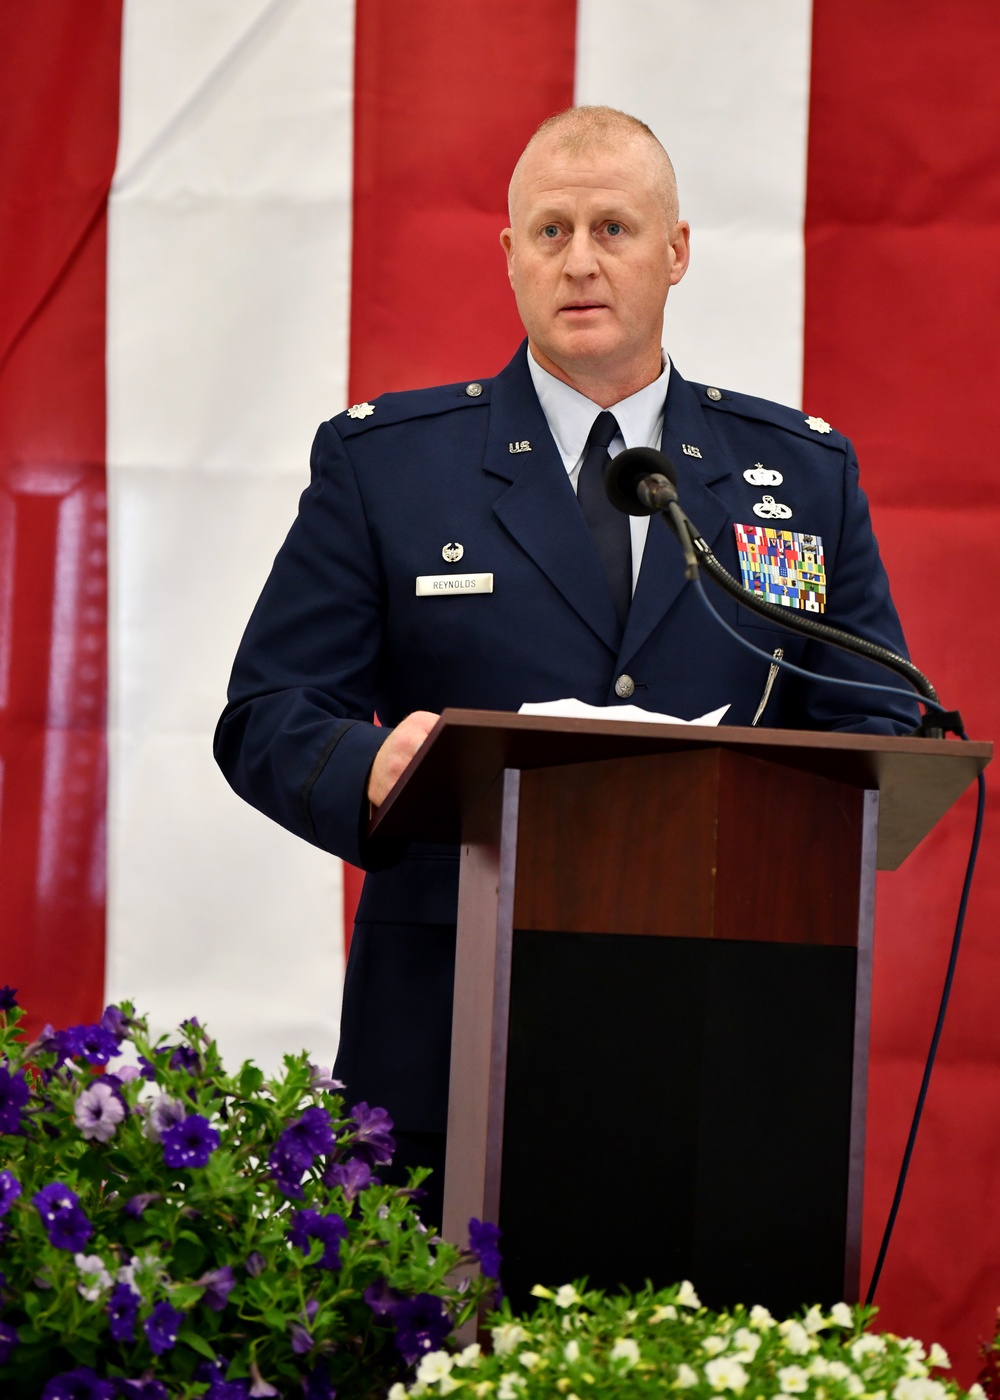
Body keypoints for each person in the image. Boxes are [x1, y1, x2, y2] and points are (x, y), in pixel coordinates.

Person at [214, 106, 918, 1223]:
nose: (578, 260)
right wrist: (369, 761)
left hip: (723, 1042)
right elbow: (267, 711)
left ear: (676, 250)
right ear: (507, 255)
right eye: (548, 231)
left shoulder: (798, 474)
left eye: (612, 227)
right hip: (450, 1043)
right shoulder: (387, 466)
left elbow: (882, 724)